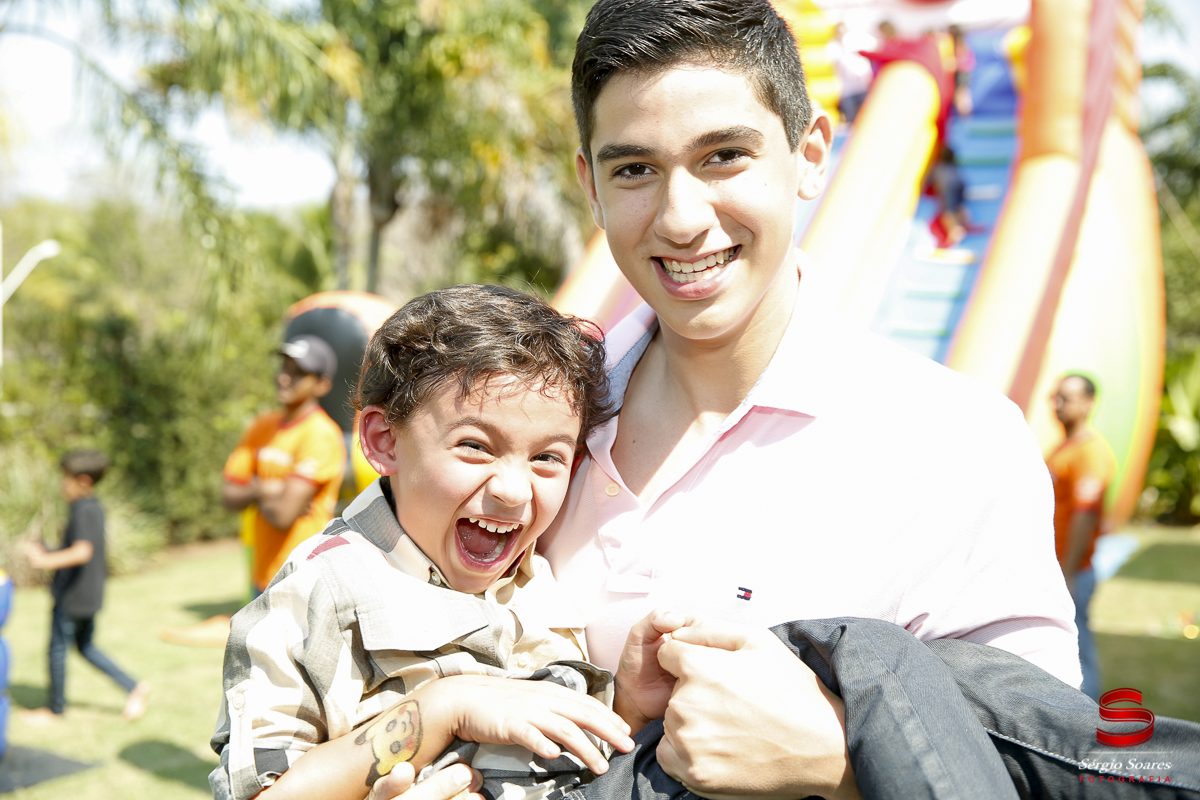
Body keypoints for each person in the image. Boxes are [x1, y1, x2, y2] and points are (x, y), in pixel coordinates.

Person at [356, 2, 1200, 798]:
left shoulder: (956, 442)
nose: (682, 218)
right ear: (590, 184)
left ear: (811, 153)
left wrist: (835, 758)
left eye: (724, 156)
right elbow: (337, 665)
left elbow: (1038, 766)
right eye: (636, 169)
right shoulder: (517, 429)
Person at [209, 285, 638, 800]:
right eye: (475, 446)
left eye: (548, 457)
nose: (514, 490)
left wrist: (630, 701)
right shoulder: (322, 589)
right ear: (384, 440)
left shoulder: (537, 572)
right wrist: (443, 708)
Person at [21, 450, 151, 724]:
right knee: (85, 647)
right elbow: (76, 548)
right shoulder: (92, 507)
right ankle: (134, 687)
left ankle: (54, 710)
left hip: (73, 596)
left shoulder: (84, 509)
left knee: (57, 649)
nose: (61, 485)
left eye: (64, 479)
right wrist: (48, 549)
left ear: (82, 481)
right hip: (88, 593)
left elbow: (82, 552)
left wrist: (46, 560)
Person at [222, 334, 347, 597]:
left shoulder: (320, 434)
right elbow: (228, 497)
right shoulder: (262, 426)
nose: (284, 377)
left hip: (303, 580)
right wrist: (269, 489)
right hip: (263, 576)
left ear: (322, 385)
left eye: (298, 372)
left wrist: (254, 490)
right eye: (284, 368)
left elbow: (282, 516)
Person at [1046, 374, 1117, 701]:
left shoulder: (1090, 452)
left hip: (1072, 569)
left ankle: (1088, 719)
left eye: (1067, 398)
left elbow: (1085, 517)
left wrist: (1069, 571)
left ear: (1088, 403)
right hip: (1057, 567)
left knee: (1078, 650)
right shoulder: (1064, 447)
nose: (1058, 404)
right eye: (1056, 397)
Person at [826, 22, 875, 125]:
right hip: (846, 89)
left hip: (861, 85)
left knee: (865, 114)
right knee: (850, 116)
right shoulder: (834, 46)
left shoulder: (855, 41)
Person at [929, 145, 971, 247]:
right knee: (959, 206)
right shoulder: (953, 165)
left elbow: (931, 181)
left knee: (948, 211)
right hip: (960, 184)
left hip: (949, 188)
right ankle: (965, 222)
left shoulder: (938, 167)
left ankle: (955, 232)